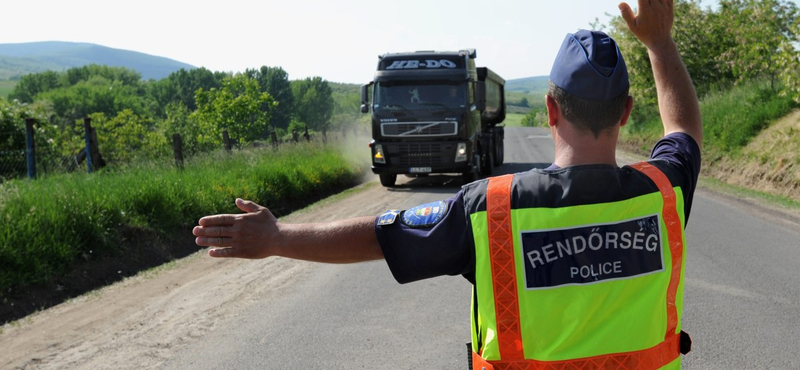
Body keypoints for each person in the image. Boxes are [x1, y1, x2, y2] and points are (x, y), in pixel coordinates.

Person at [193, 1, 701, 369]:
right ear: (627, 112)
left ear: (549, 109)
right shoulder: (664, 192)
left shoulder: (493, 208)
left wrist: (278, 239)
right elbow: (682, 130)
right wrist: (659, 42)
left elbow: (377, 235)